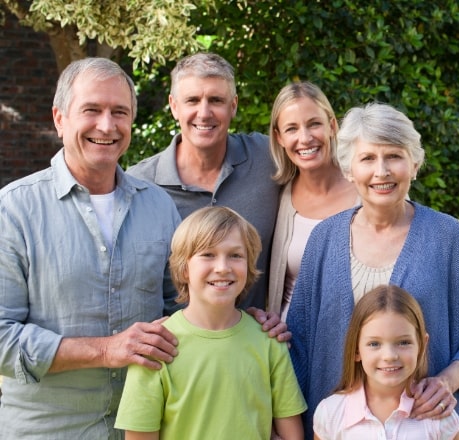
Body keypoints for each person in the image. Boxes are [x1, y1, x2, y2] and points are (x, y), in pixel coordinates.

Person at [286, 102, 459, 440]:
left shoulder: (448, 236)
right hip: (339, 428)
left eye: (394, 156)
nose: (382, 171)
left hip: (424, 424)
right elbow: (299, 340)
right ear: (348, 168)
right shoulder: (323, 239)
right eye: (367, 158)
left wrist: (446, 381)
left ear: (415, 165)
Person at [0, 58, 182, 438]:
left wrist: (244, 322)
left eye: (119, 112)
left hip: (144, 429)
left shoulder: (160, 206)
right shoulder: (13, 210)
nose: (107, 125)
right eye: (92, 110)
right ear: (60, 118)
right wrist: (105, 350)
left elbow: (182, 309)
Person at [267, 82, 459, 320]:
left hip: (380, 338)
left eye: (314, 124)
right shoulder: (274, 196)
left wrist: (453, 239)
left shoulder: (376, 187)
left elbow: (413, 238)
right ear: (279, 137)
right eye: (291, 128)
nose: (305, 138)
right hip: (292, 337)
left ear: (332, 126)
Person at [115, 206, 306, 439]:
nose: (223, 267)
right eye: (208, 254)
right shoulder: (156, 346)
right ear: (184, 268)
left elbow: (292, 434)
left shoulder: (268, 342)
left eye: (236, 255)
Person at [127, 53, 280, 312]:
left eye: (216, 100)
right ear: (174, 106)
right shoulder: (139, 184)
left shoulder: (269, 158)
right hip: (174, 345)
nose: (204, 112)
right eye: (193, 100)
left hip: (253, 339)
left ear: (233, 106)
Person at [313, 284, 459, 440]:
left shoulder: (440, 417)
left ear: (422, 345)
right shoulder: (330, 413)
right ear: (356, 350)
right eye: (374, 344)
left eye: (403, 342)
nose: (389, 356)